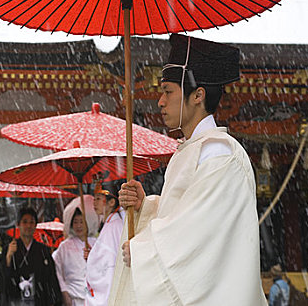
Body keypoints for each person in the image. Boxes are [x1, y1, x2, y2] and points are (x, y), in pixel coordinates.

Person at [109, 33, 267, 305]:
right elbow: (184, 215)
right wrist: (145, 206)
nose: (159, 101)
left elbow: (201, 232)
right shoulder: (191, 150)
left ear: (198, 95)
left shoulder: (219, 153)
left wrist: (146, 251)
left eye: (168, 91)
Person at [0, 207, 62, 306]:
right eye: (24, 222)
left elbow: (50, 278)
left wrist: (53, 300)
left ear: (35, 225)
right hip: (16, 300)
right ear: (18, 225)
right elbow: (3, 278)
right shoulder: (9, 249)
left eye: (31, 222)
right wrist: (9, 256)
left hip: (38, 299)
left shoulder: (43, 250)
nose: (28, 225)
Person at [52, 195, 99, 306]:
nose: (78, 226)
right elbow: (57, 270)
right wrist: (64, 292)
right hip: (74, 296)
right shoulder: (64, 246)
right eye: (75, 222)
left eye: (82, 222)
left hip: (95, 296)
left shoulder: (96, 243)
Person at [85, 182, 124, 306]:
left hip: (109, 287)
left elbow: (109, 264)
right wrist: (92, 256)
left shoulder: (115, 226)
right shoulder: (108, 224)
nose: (94, 202)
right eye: (94, 198)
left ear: (111, 202)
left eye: (98, 199)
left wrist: (93, 258)